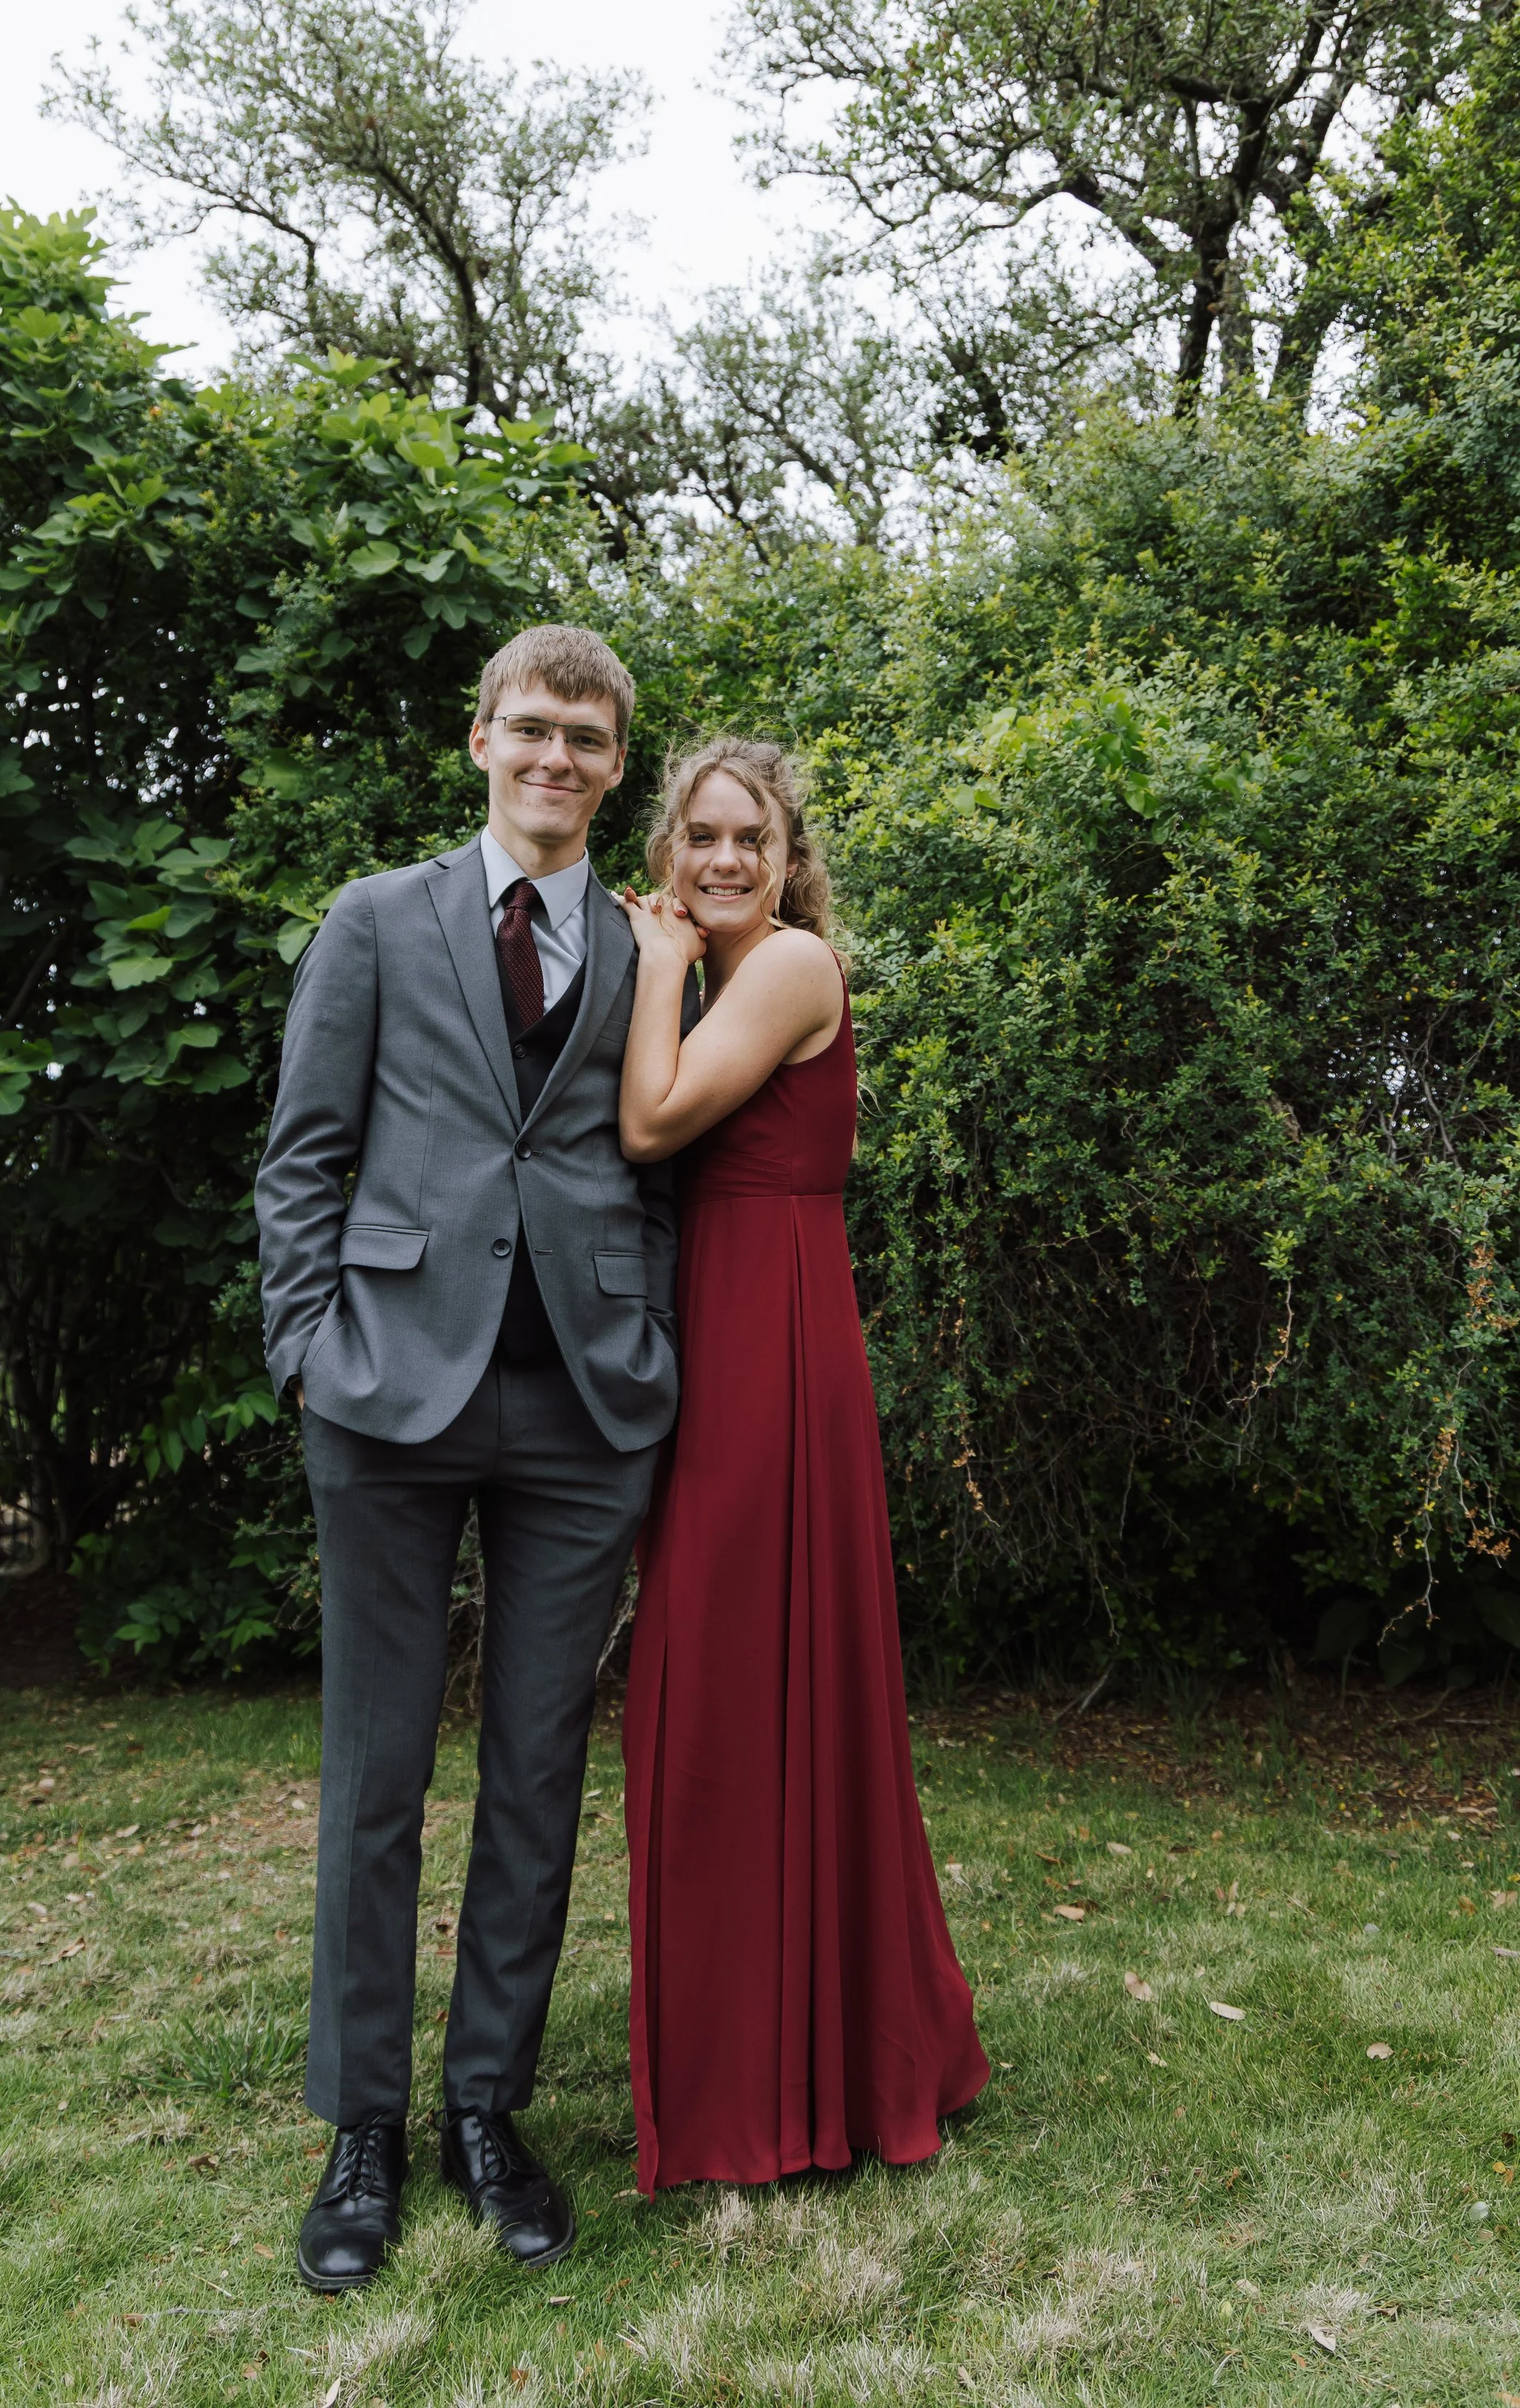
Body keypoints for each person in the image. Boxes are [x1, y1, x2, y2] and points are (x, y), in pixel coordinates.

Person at [256, 625, 692, 2290]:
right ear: (478, 739)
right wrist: (306, 1349)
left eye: (586, 736)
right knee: (376, 1774)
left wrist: (642, 1345)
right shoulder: (376, 920)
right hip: (385, 1392)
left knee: (533, 1774)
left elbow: (652, 1168)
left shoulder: (653, 944)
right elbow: (304, 1152)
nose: (556, 756)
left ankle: (486, 2109)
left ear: (611, 762)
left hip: (582, 1409)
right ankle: (360, 2125)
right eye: (531, 727)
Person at [617, 735, 990, 2194]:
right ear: (667, 846)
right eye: (697, 835)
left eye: (747, 839)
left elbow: (650, 1121)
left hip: (770, 1344)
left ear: (785, 856)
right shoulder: (718, 974)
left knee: (733, 1682)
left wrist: (653, 969)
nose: (719, 860)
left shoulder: (778, 971)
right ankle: (767, 2046)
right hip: (723, 1332)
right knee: (716, 1688)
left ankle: (788, 2077)